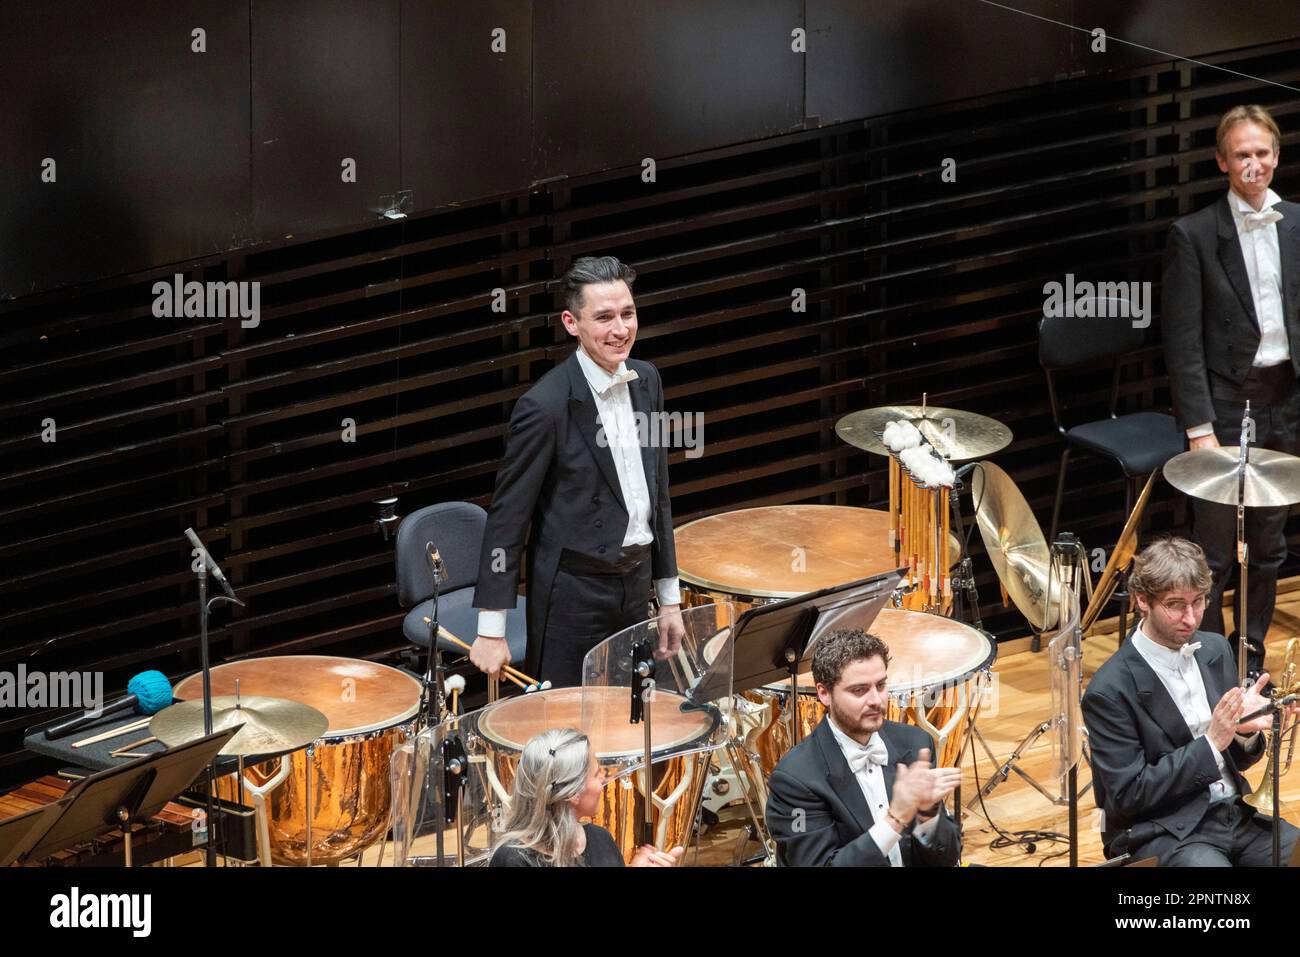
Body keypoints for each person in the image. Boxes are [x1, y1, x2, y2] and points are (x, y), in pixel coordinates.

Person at [470, 256, 685, 687]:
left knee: (634, 724)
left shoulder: (648, 380)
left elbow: (657, 495)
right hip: (573, 593)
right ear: (571, 322)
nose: (620, 330)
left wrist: (669, 599)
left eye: (628, 314)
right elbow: (508, 521)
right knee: (568, 733)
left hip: (636, 581)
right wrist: (491, 630)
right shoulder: (544, 406)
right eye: (604, 318)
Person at [1162, 104, 1300, 678]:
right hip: (1225, 403)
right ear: (1222, 161)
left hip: (1286, 401)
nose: (1253, 164)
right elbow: (1182, 340)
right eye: (1242, 154)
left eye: (1262, 153)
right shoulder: (1192, 235)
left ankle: (1252, 655)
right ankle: (1212, 661)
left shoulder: (1296, 222)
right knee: (1216, 551)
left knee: (1269, 545)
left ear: (1276, 156)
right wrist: (1199, 428)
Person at [1082, 537, 1300, 866]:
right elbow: (1129, 795)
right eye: (1175, 605)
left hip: (1233, 815)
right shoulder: (1109, 690)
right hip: (1163, 829)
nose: (1190, 618)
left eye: (1198, 602)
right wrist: (1212, 742)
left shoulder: (1214, 649)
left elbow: (1235, 760)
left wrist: (1243, 732)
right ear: (1142, 600)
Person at [764, 628, 963, 866]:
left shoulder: (915, 744)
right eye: (859, 690)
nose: (876, 700)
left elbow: (948, 858)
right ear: (824, 693)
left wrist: (929, 815)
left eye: (880, 686)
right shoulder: (796, 779)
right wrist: (895, 820)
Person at [489, 728, 685, 867]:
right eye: (596, 774)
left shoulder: (600, 839)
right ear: (572, 794)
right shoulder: (513, 860)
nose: (603, 779)